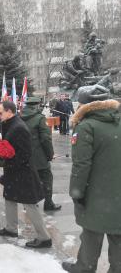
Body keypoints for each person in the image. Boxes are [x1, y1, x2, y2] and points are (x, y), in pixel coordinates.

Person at [62, 85, 121, 273]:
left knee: (91, 234)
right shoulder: (118, 122)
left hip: (96, 194)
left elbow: (81, 165)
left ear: (84, 104)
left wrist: (76, 192)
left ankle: (84, 268)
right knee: (118, 237)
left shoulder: (86, 126)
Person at [0, 101, 52, 248]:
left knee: (30, 204)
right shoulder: (8, 123)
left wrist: (7, 160)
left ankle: (44, 237)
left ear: (9, 111)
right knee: (9, 198)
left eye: (0, 112)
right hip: (14, 170)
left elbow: (25, 154)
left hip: (23, 172)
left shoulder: (19, 127)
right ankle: (11, 228)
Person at [21, 97, 61, 212]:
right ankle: (48, 204)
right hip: (39, 158)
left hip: (25, 157)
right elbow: (46, 139)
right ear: (37, 105)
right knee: (47, 179)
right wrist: (50, 155)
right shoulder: (40, 118)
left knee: (29, 181)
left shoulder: (20, 118)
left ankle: (28, 205)